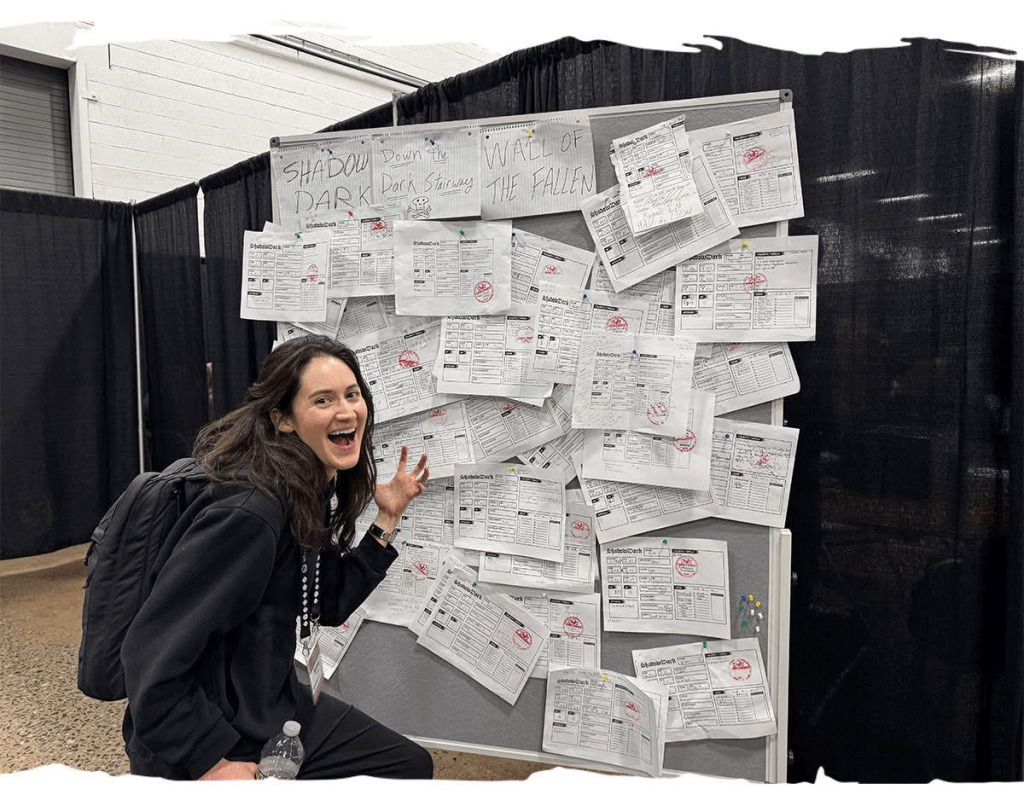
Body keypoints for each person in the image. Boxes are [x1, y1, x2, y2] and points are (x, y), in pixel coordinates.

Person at [120, 334, 434, 780]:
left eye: (352, 395)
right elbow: (149, 652)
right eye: (322, 400)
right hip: (213, 728)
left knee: (406, 764)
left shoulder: (303, 489)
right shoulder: (250, 514)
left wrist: (386, 520)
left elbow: (325, 603)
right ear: (283, 419)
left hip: (269, 703)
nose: (346, 411)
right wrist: (210, 760)